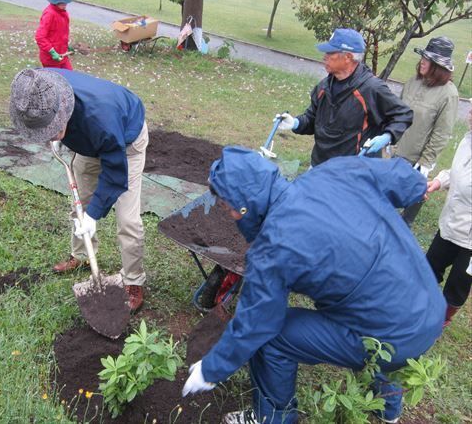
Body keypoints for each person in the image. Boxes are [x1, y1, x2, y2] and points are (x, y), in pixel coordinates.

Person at [182, 146, 445, 424]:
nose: (229, 215)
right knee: (376, 310)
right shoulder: (333, 172)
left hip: (391, 336)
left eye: (226, 207)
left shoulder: (272, 248)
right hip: (428, 306)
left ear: (244, 206)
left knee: (273, 339)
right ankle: (387, 409)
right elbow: (400, 175)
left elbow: (257, 324)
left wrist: (210, 370)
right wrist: (416, 186)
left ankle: (273, 417)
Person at [9, 68, 148, 312]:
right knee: (79, 205)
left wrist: (94, 215)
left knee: (128, 221)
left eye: (52, 130)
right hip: (89, 142)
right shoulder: (39, 90)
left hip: (125, 141)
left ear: (63, 114)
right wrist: (87, 212)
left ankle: (133, 280)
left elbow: (115, 174)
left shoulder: (101, 120)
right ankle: (82, 256)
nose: (49, 137)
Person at [276, 28, 413, 167]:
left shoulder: (371, 88)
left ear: (348, 57)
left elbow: (403, 114)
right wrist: (295, 123)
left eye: (330, 53)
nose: (325, 56)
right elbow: (312, 119)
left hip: (351, 172)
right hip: (319, 165)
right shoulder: (323, 87)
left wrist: (387, 136)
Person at [395, 37, 459, 226]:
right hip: (396, 153)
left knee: (405, 218)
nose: (422, 61)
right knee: (383, 204)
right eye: (423, 56)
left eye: (428, 59)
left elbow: (441, 134)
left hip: (416, 161)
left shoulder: (449, 93)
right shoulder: (413, 81)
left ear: (438, 66)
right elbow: (398, 111)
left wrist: (424, 164)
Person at [425, 103, 471, 327]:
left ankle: (441, 320)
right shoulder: (467, 140)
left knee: (458, 283)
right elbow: (456, 173)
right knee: (430, 266)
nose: (471, 117)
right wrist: (438, 181)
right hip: (451, 222)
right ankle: (424, 307)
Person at [35, 0, 73, 70]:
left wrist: (66, 45)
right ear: (55, 2)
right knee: (56, 81)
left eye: (65, 2)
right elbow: (40, 37)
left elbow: (60, 32)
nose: (65, 5)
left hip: (62, 54)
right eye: (62, 3)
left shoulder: (63, 12)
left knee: (70, 76)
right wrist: (51, 51)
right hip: (51, 58)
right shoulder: (49, 14)